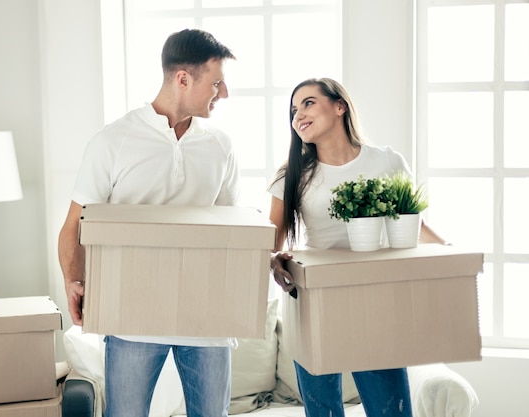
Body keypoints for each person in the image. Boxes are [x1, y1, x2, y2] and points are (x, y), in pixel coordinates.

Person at [58, 29, 238, 417]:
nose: (223, 94)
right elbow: (75, 224)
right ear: (183, 79)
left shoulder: (221, 146)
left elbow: (231, 231)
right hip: (131, 318)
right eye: (217, 83)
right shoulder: (113, 141)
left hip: (206, 316)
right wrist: (74, 279)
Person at [268, 78, 448, 417]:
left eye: (307, 103)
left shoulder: (386, 161)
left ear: (339, 107)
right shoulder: (292, 173)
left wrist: (451, 254)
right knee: (323, 412)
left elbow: (413, 225)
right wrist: (274, 260)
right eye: (293, 110)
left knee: (389, 410)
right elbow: (270, 242)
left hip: (374, 298)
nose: (298, 115)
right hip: (314, 301)